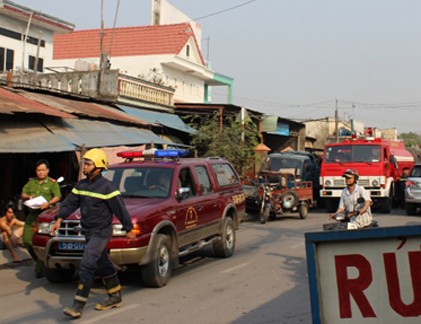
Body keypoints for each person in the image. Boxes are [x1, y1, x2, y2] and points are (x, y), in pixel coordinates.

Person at [50, 148, 136, 319]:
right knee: (102, 264)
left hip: (101, 232)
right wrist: (59, 218)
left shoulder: (107, 187)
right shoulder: (81, 185)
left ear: (98, 167)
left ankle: (78, 306)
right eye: (85, 163)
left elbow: (120, 209)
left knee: (87, 263)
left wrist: (128, 229)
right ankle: (115, 296)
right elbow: (70, 203)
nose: (85, 167)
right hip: (88, 231)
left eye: (88, 164)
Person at [21, 159, 61, 278]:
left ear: (47, 171)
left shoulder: (52, 183)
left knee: (43, 242)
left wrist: (48, 203)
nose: (41, 173)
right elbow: (23, 194)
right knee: (27, 241)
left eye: (43, 170)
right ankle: (39, 261)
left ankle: (40, 265)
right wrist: (29, 197)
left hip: (45, 218)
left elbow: (58, 197)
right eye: (39, 170)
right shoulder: (31, 183)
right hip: (32, 216)